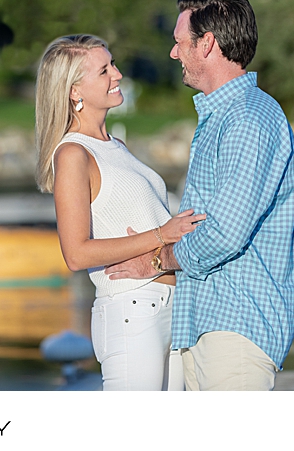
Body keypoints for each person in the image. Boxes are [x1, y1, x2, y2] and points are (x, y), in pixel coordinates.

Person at [107, 0, 294, 391]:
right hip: (208, 324)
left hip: (236, 327)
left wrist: (157, 260)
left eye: (180, 42)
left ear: (208, 43)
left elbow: (224, 232)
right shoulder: (223, 116)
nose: (173, 53)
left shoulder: (248, 118)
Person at [35, 34, 205, 391]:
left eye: (112, 64)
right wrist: (163, 235)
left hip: (172, 306)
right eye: (104, 70)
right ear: (74, 91)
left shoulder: (117, 147)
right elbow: (76, 253)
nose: (118, 74)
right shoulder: (72, 155)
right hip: (132, 310)